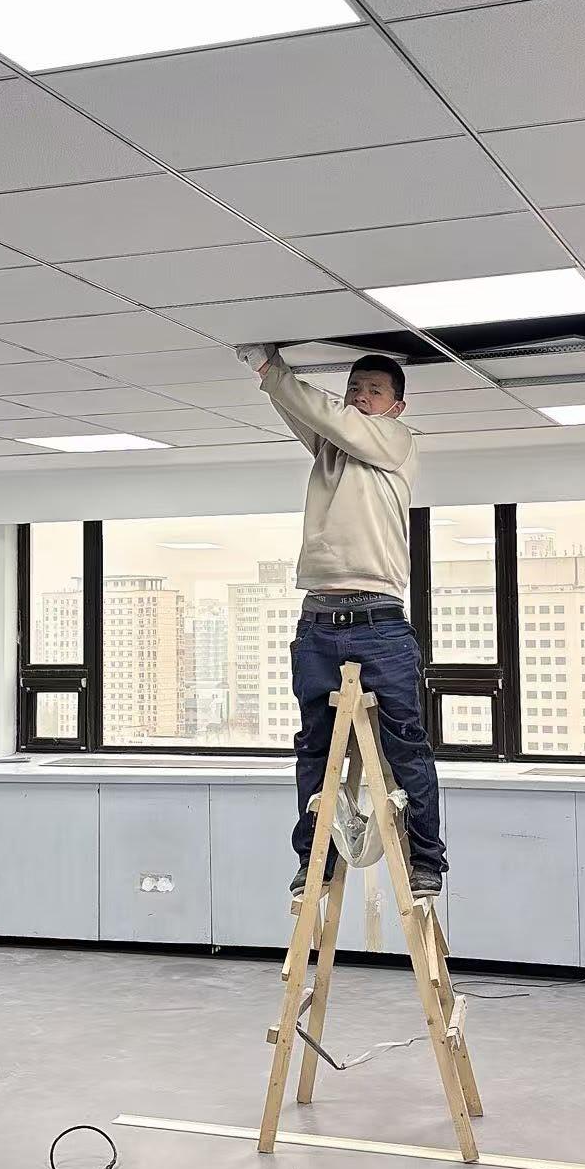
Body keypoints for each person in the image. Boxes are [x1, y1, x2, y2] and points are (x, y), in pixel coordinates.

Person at [234, 343, 444, 900]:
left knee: (407, 746)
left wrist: (271, 369)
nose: (359, 397)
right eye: (354, 388)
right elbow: (307, 414)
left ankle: (427, 861)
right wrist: (274, 384)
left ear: (396, 407)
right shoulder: (335, 445)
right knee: (314, 748)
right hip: (319, 624)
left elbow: (325, 414)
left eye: (373, 391)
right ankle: (314, 861)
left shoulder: (395, 440)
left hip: (380, 622)